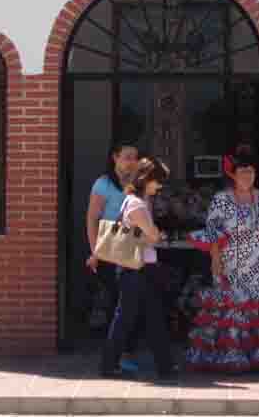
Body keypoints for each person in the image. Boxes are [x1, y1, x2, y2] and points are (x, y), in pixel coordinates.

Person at [186, 147, 259, 372]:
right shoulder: (221, 199)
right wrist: (215, 258)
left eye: (251, 172)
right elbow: (212, 230)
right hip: (228, 262)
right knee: (230, 305)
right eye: (243, 171)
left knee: (258, 305)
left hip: (257, 263)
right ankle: (229, 356)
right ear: (233, 174)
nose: (248, 176)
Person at [100, 157, 177, 381]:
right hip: (136, 269)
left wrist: (153, 234)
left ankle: (165, 366)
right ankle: (109, 364)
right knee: (126, 319)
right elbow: (152, 234)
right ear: (147, 179)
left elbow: (149, 234)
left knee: (152, 318)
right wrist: (156, 234)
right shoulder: (136, 204)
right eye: (158, 181)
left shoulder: (139, 201)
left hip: (141, 268)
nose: (160, 186)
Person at [86, 144, 141, 372]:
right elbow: (91, 218)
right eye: (126, 157)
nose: (131, 161)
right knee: (115, 305)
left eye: (134, 157)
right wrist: (95, 251)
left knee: (131, 305)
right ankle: (115, 356)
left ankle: (125, 353)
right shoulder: (104, 183)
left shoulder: (138, 184)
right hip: (109, 248)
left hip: (132, 249)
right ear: (115, 158)